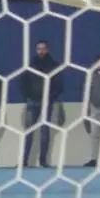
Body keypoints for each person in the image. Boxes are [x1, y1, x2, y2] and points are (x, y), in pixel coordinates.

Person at [21, 40, 65, 169]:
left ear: (47, 49)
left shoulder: (54, 66)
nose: (41, 51)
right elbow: (23, 82)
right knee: (28, 132)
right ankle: (24, 161)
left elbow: (59, 84)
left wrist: (51, 97)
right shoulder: (30, 66)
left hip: (47, 102)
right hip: (32, 101)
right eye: (39, 48)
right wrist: (27, 96)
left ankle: (43, 160)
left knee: (44, 132)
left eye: (43, 48)